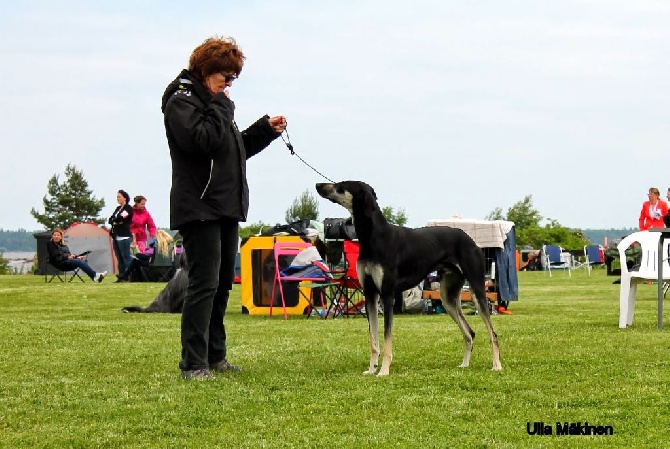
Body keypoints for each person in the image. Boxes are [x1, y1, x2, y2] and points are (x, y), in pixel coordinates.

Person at [162, 36, 287, 380]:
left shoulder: (213, 104)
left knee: (221, 284)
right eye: (225, 75)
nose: (230, 82)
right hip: (199, 206)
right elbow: (202, 142)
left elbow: (231, 149)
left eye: (234, 77)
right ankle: (193, 363)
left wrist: (263, 132)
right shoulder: (181, 101)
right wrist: (223, 106)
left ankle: (215, 356)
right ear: (205, 70)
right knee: (203, 284)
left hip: (224, 206)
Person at [109, 189, 134, 278]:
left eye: (119, 197)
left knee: (126, 257)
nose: (118, 199)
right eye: (117, 197)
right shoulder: (117, 209)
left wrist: (117, 221)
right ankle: (121, 275)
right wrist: (115, 221)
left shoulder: (128, 208)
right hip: (116, 235)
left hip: (124, 236)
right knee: (119, 258)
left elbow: (121, 218)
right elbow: (110, 220)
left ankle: (131, 275)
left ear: (125, 198)